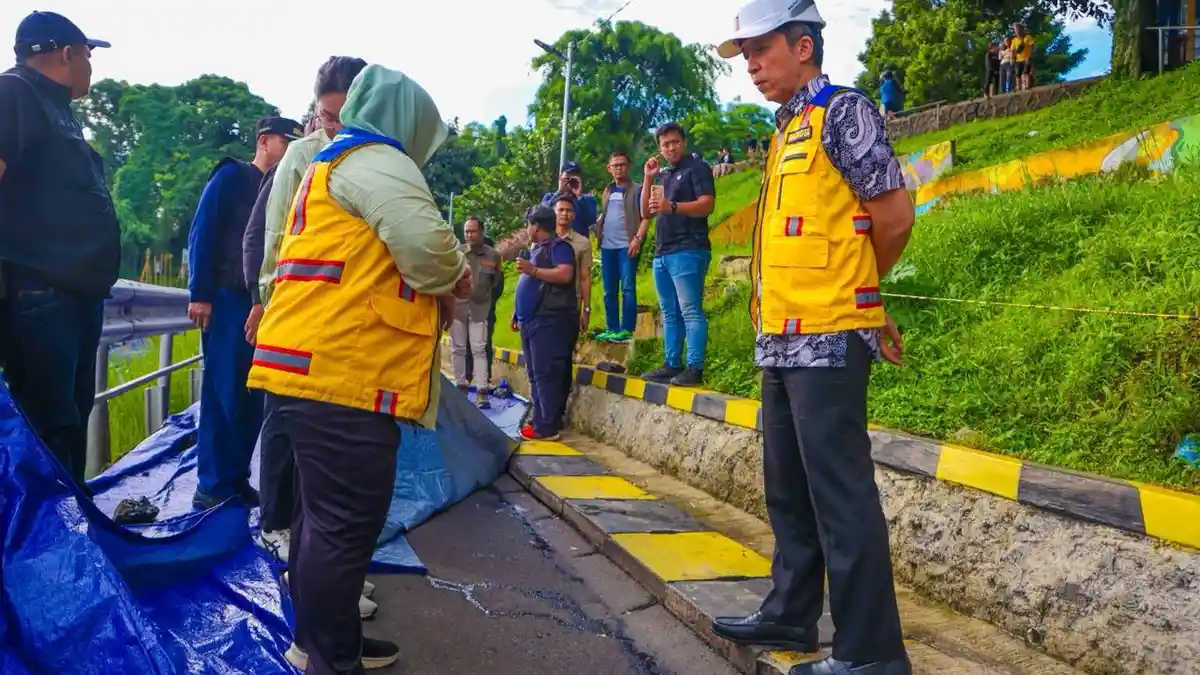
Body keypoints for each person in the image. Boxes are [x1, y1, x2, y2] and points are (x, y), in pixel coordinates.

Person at [712, 2, 915, 674]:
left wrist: (863, 294)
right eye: (744, 57)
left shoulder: (843, 112)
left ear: (803, 45)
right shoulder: (785, 130)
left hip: (830, 334)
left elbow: (893, 214)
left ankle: (870, 655)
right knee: (788, 487)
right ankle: (792, 612)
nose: (752, 67)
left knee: (840, 494)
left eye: (760, 50)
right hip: (781, 336)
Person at [247, 65, 469, 675]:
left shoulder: (335, 161)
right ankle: (330, 658)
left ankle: (325, 640)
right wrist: (456, 275)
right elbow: (427, 251)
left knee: (319, 523)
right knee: (343, 528)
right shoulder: (379, 159)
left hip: (309, 367)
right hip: (342, 372)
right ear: (409, 120)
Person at [0, 11, 119, 490]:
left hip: (72, 298)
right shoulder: (14, 94)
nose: (92, 67)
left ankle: (72, 528)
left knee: (68, 422)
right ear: (67, 53)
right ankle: (44, 550)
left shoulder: (57, 109)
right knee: (48, 427)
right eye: (89, 56)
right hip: (39, 294)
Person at [187, 115, 299, 510]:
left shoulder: (286, 188)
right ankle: (213, 484)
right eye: (287, 141)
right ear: (265, 142)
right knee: (223, 391)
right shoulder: (232, 177)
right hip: (227, 298)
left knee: (253, 394)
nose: (292, 149)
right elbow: (203, 232)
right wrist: (200, 293)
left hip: (261, 303)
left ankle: (236, 478)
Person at [640, 123, 715, 387]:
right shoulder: (666, 175)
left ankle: (695, 367)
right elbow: (646, 212)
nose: (670, 147)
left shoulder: (697, 168)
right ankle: (673, 364)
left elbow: (707, 205)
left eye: (674, 142)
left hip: (689, 248)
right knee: (669, 312)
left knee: (690, 310)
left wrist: (671, 206)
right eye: (665, 144)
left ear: (683, 142)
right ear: (659, 149)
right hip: (663, 251)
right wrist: (648, 178)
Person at [511, 205, 578, 442]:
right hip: (531, 319)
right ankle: (541, 419)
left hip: (550, 319)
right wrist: (516, 312)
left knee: (546, 372)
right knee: (535, 373)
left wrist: (534, 270)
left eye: (528, 224)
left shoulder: (560, 247)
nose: (527, 229)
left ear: (536, 226)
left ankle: (547, 426)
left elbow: (565, 274)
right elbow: (529, 283)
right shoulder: (538, 249)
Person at [594, 151, 647, 344]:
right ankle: (612, 327)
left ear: (629, 166)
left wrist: (638, 239)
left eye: (622, 164)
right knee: (609, 290)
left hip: (627, 246)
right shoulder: (607, 191)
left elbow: (646, 217)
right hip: (607, 247)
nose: (618, 168)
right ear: (609, 169)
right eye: (614, 165)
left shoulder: (638, 189)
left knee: (627, 287)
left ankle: (626, 328)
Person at [451, 216, 501, 408]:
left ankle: (482, 391)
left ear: (481, 232)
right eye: (466, 232)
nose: (469, 235)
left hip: (481, 309)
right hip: (458, 308)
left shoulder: (493, 256)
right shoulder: (457, 254)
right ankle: (461, 386)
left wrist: (488, 302)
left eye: (473, 231)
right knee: (458, 348)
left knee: (479, 348)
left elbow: (497, 284)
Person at [541, 161, 597, 239]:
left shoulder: (587, 200)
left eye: (574, 176)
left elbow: (591, 220)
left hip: (579, 243)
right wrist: (559, 192)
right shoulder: (549, 197)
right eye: (568, 176)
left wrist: (579, 196)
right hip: (555, 243)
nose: (571, 180)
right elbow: (541, 215)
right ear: (560, 178)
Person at [1011, 23, 1034, 91]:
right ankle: (1018, 87)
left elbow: (1032, 46)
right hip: (1018, 60)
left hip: (1027, 58)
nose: (1016, 31)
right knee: (1018, 74)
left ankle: (1027, 86)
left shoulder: (1028, 37)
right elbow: (1013, 51)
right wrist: (1012, 59)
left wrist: (1030, 56)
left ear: (1021, 29)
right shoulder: (1014, 40)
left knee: (1025, 73)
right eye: (1015, 29)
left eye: (1017, 29)